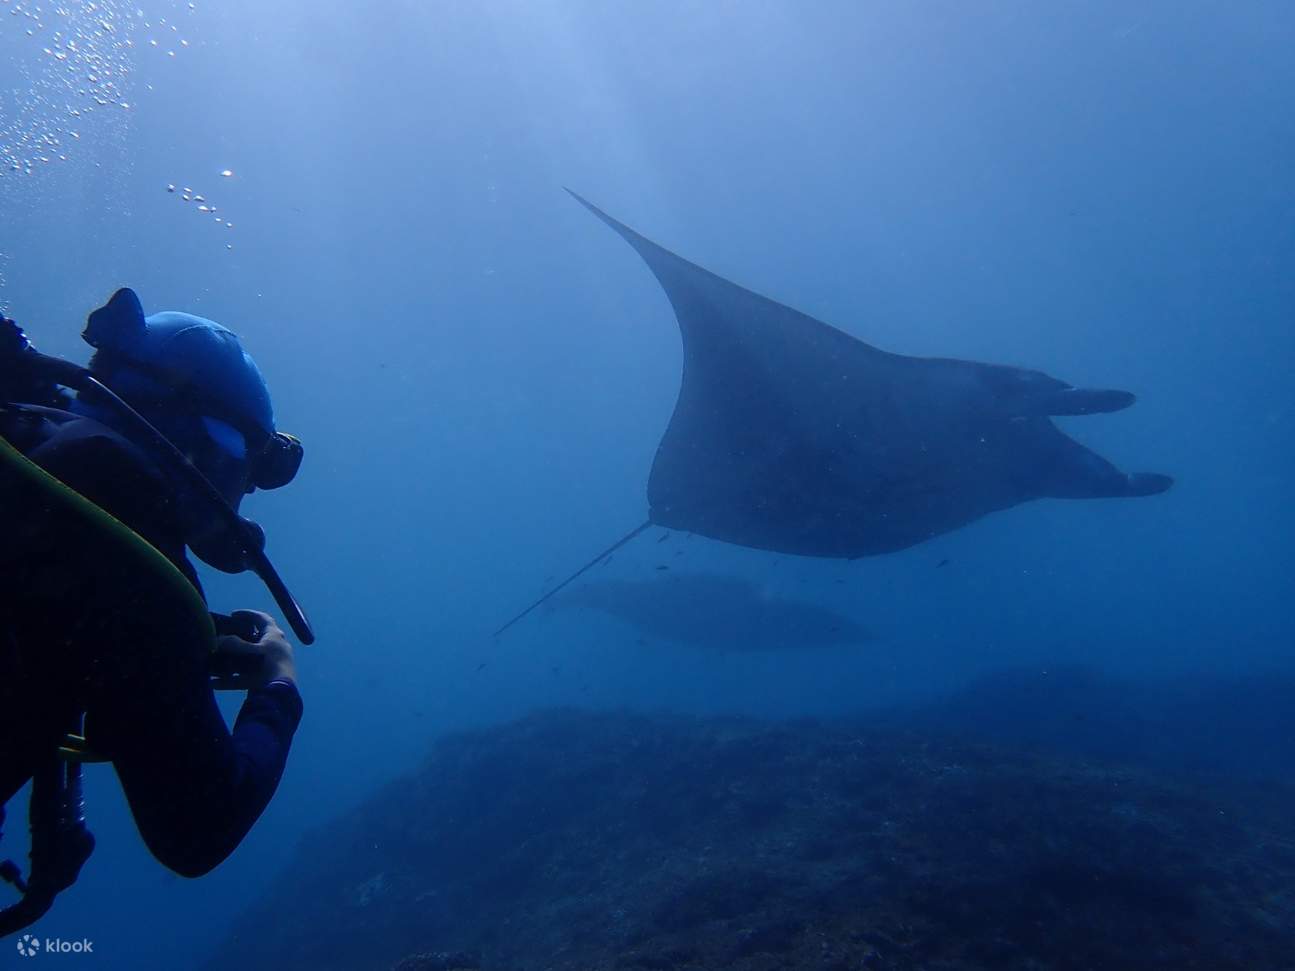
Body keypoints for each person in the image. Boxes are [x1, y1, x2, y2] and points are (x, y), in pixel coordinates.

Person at [0, 288, 311, 935]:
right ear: (207, 449)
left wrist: (182, 646)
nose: (243, 498)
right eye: (244, 474)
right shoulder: (134, 553)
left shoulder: (29, 441)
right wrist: (277, 685)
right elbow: (199, 828)